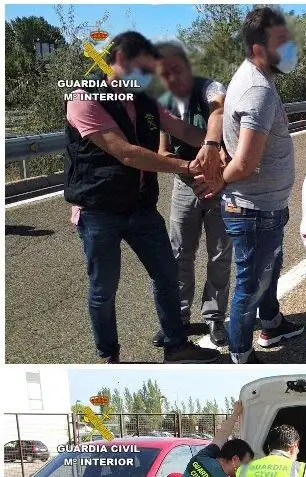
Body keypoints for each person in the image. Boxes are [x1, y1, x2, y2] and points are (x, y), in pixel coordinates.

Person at [64, 31, 223, 364]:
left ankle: (176, 346)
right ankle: (109, 355)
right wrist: (191, 165)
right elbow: (128, 154)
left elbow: (184, 130)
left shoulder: (144, 98)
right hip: (99, 211)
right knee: (104, 289)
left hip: (141, 207)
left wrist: (215, 146)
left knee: (167, 274)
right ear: (121, 61)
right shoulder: (84, 97)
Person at [220, 7, 305, 364]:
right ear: (259, 47)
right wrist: (214, 182)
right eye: (281, 42)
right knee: (249, 286)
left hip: (266, 205)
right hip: (253, 209)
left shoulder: (257, 79)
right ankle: (240, 354)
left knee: (267, 270)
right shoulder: (258, 91)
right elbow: (244, 163)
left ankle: (270, 323)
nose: (289, 50)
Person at [154, 41, 232, 349]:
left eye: (177, 68)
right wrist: (192, 167)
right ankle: (180, 317)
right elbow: (161, 152)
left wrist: (212, 153)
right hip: (185, 185)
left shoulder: (209, 88)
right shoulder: (163, 102)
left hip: (220, 184)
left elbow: (220, 108)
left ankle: (214, 318)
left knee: (219, 254)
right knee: (179, 254)